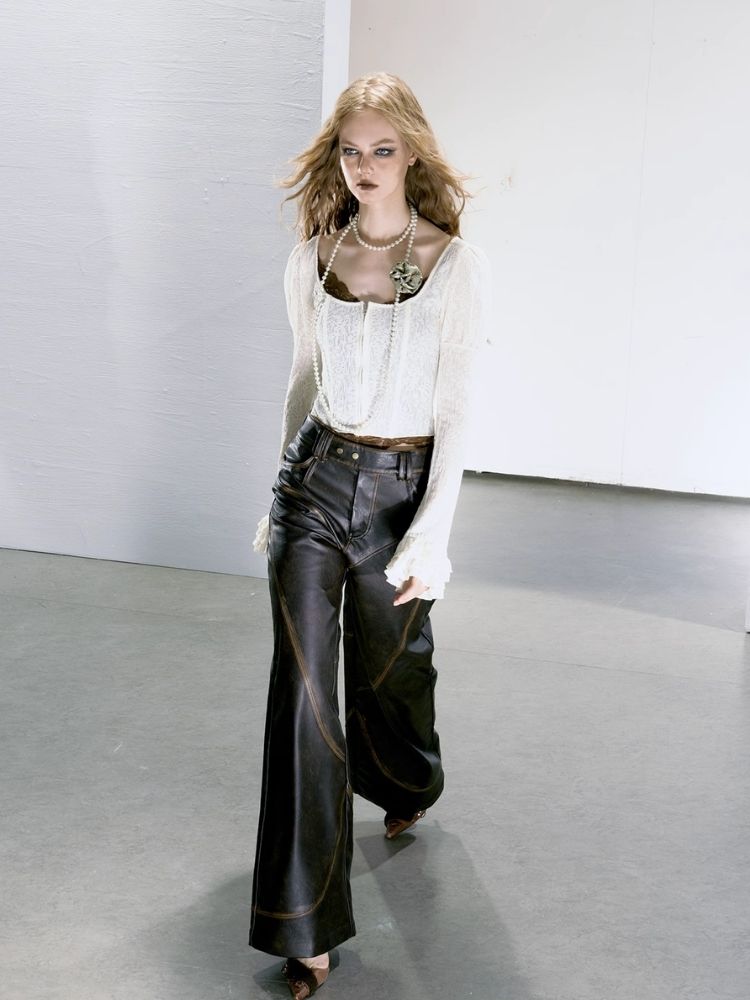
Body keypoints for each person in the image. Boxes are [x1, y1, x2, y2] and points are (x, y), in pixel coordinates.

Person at [248, 71, 492, 999]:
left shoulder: (451, 265)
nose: (364, 165)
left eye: (382, 149)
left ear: (412, 152)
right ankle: (303, 928)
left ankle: (407, 782)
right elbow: (303, 381)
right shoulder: (314, 258)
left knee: (393, 670)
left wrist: (432, 537)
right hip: (314, 487)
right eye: (350, 150)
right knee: (304, 701)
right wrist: (275, 497)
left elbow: (457, 411)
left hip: (400, 492)